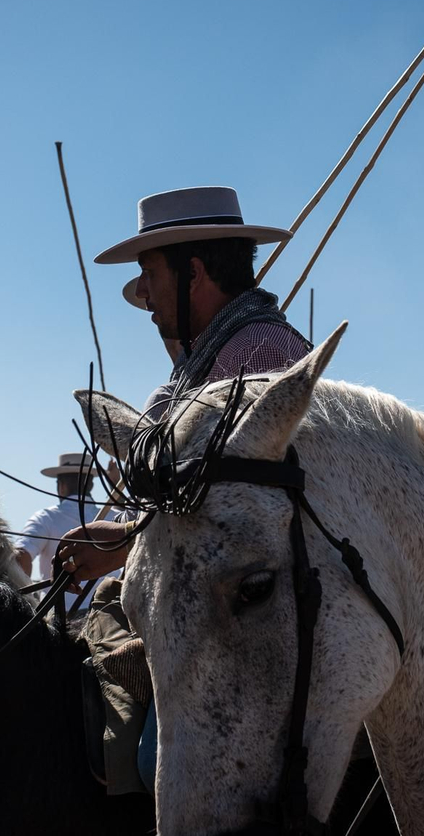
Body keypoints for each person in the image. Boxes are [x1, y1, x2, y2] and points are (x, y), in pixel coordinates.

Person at [58, 186, 311, 582]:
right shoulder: (220, 356)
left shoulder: (257, 356)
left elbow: (244, 521)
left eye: (149, 272)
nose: (141, 291)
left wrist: (125, 541)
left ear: (192, 274)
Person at [13, 453, 110, 610]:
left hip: (61, 618)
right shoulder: (114, 517)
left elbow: (21, 557)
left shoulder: (45, 518)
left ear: (62, 486)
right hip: (108, 614)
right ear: (91, 485)